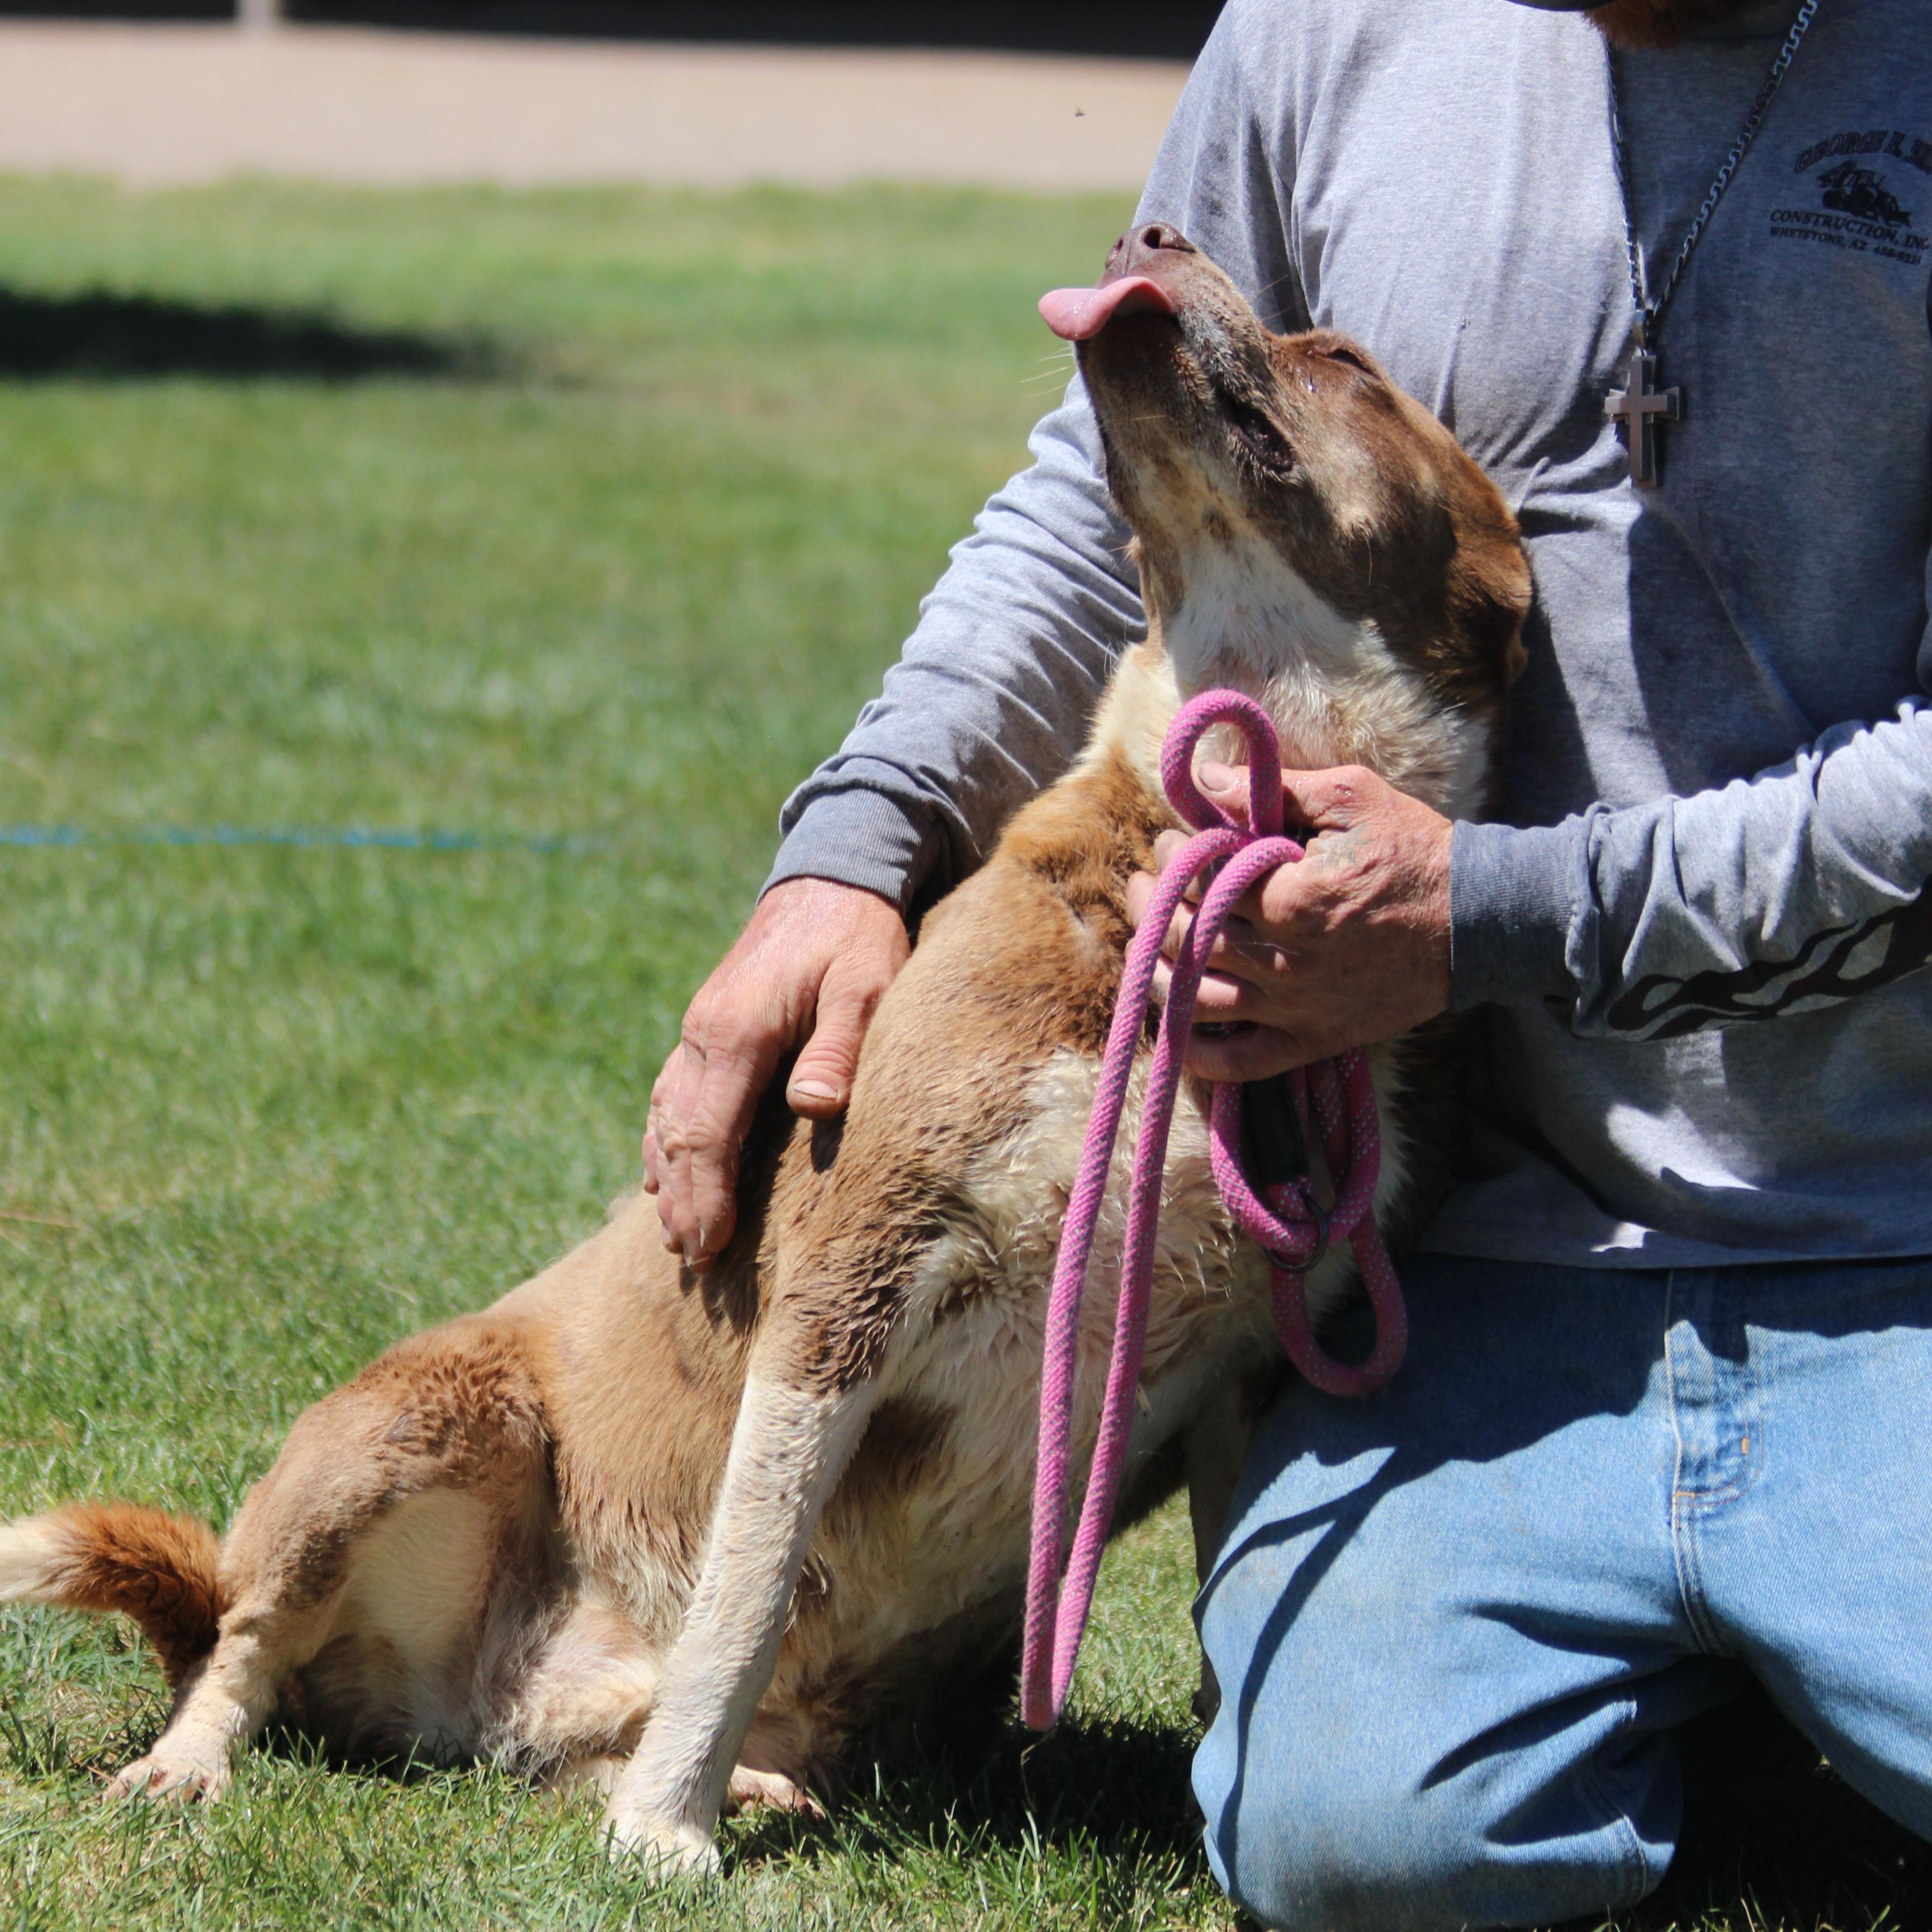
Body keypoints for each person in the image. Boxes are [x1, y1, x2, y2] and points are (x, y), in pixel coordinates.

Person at [644, 0, 1932, 1922]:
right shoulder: (1329, 31)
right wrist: (856, 843)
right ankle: (1721, 1680)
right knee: (1355, 1852)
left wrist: (1498, 915)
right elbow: (1117, 503)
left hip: (1889, 1232)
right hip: (1463, 1261)